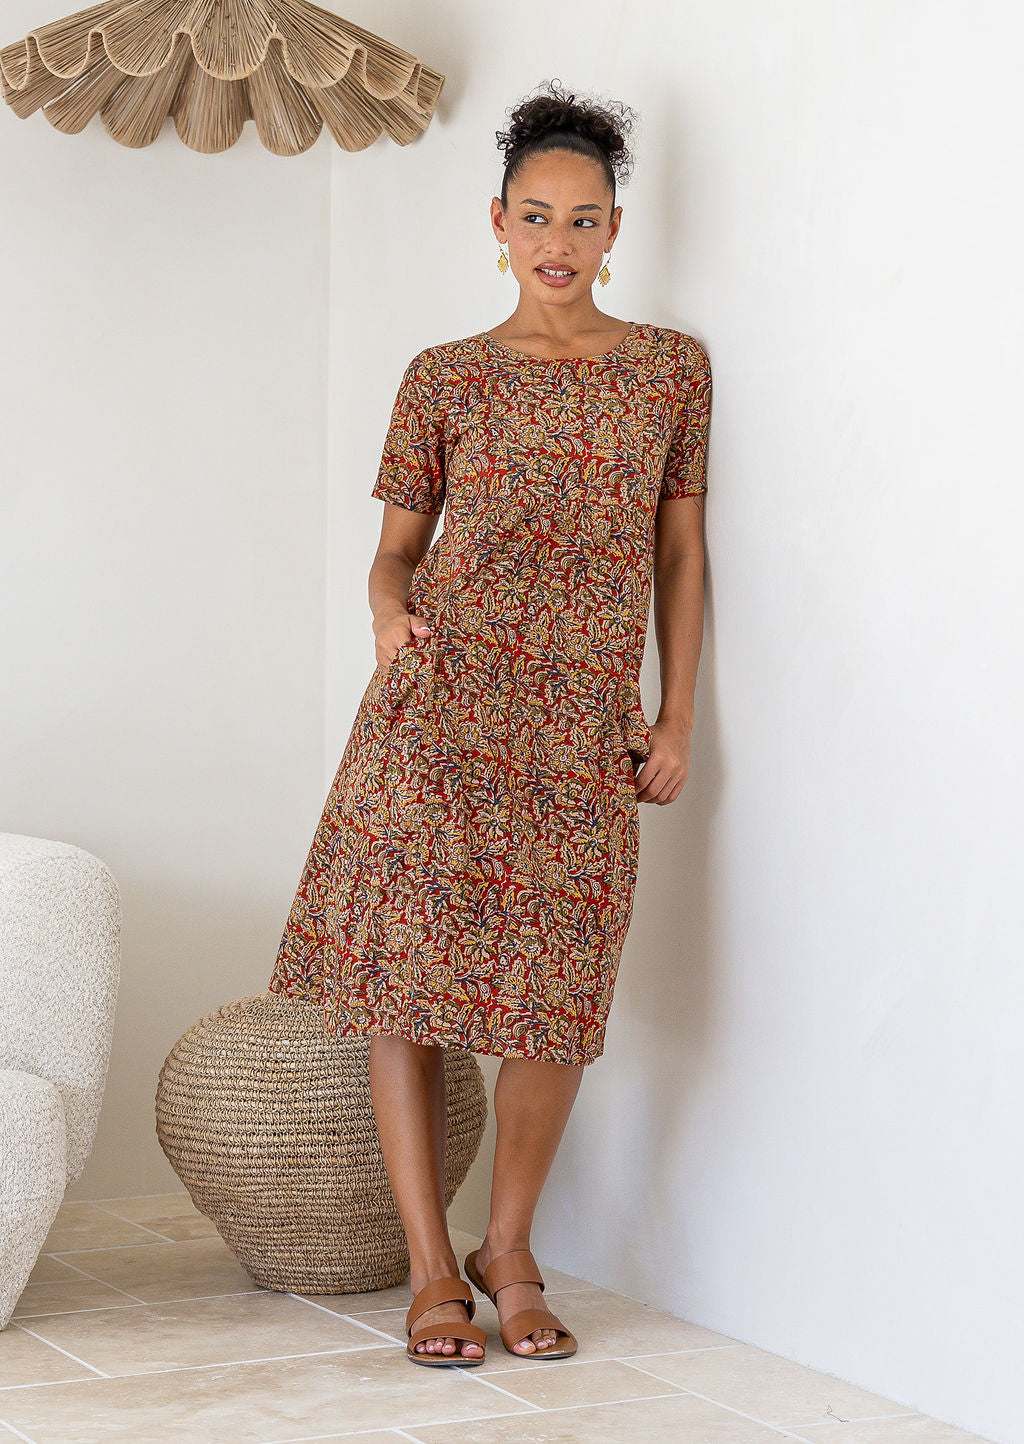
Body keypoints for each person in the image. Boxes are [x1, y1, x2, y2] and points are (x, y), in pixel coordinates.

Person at [268, 78, 712, 1366]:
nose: (558, 242)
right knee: (402, 987)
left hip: (579, 719)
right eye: (536, 215)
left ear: (616, 229)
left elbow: (679, 558)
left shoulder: (671, 371)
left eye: (584, 218)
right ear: (499, 225)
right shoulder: (445, 376)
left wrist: (675, 712)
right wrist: (386, 614)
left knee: (553, 995)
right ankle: (430, 1270)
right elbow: (393, 554)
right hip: (439, 708)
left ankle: (505, 1242)